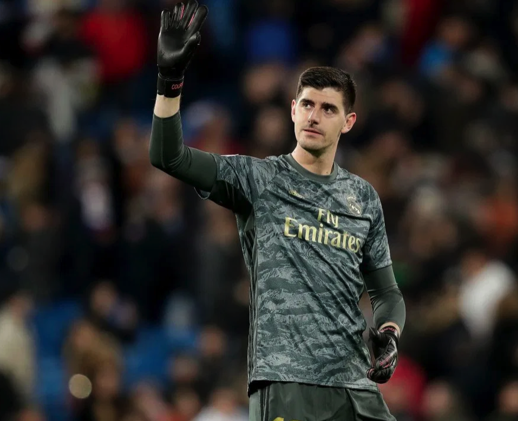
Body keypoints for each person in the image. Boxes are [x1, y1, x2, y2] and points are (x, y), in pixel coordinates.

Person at [149, 1, 406, 419]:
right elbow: (168, 156)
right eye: (307, 105)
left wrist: (390, 334)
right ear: (292, 110)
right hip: (288, 382)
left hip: (355, 384)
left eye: (328, 109)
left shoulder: (363, 197)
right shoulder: (258, 178)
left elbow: (386, 292)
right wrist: (169, 81)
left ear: (348, 122)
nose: (314, 116)